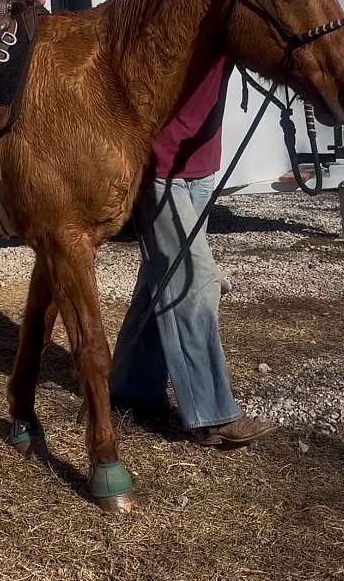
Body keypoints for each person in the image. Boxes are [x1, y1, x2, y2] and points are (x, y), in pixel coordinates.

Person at [110, 53, 275, 448]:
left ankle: (132, 386)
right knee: (194, 282)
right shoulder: (180, 9)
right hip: (159, 169)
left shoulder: (235, 13)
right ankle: (211, 415)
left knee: (160, 281)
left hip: (201, 167)